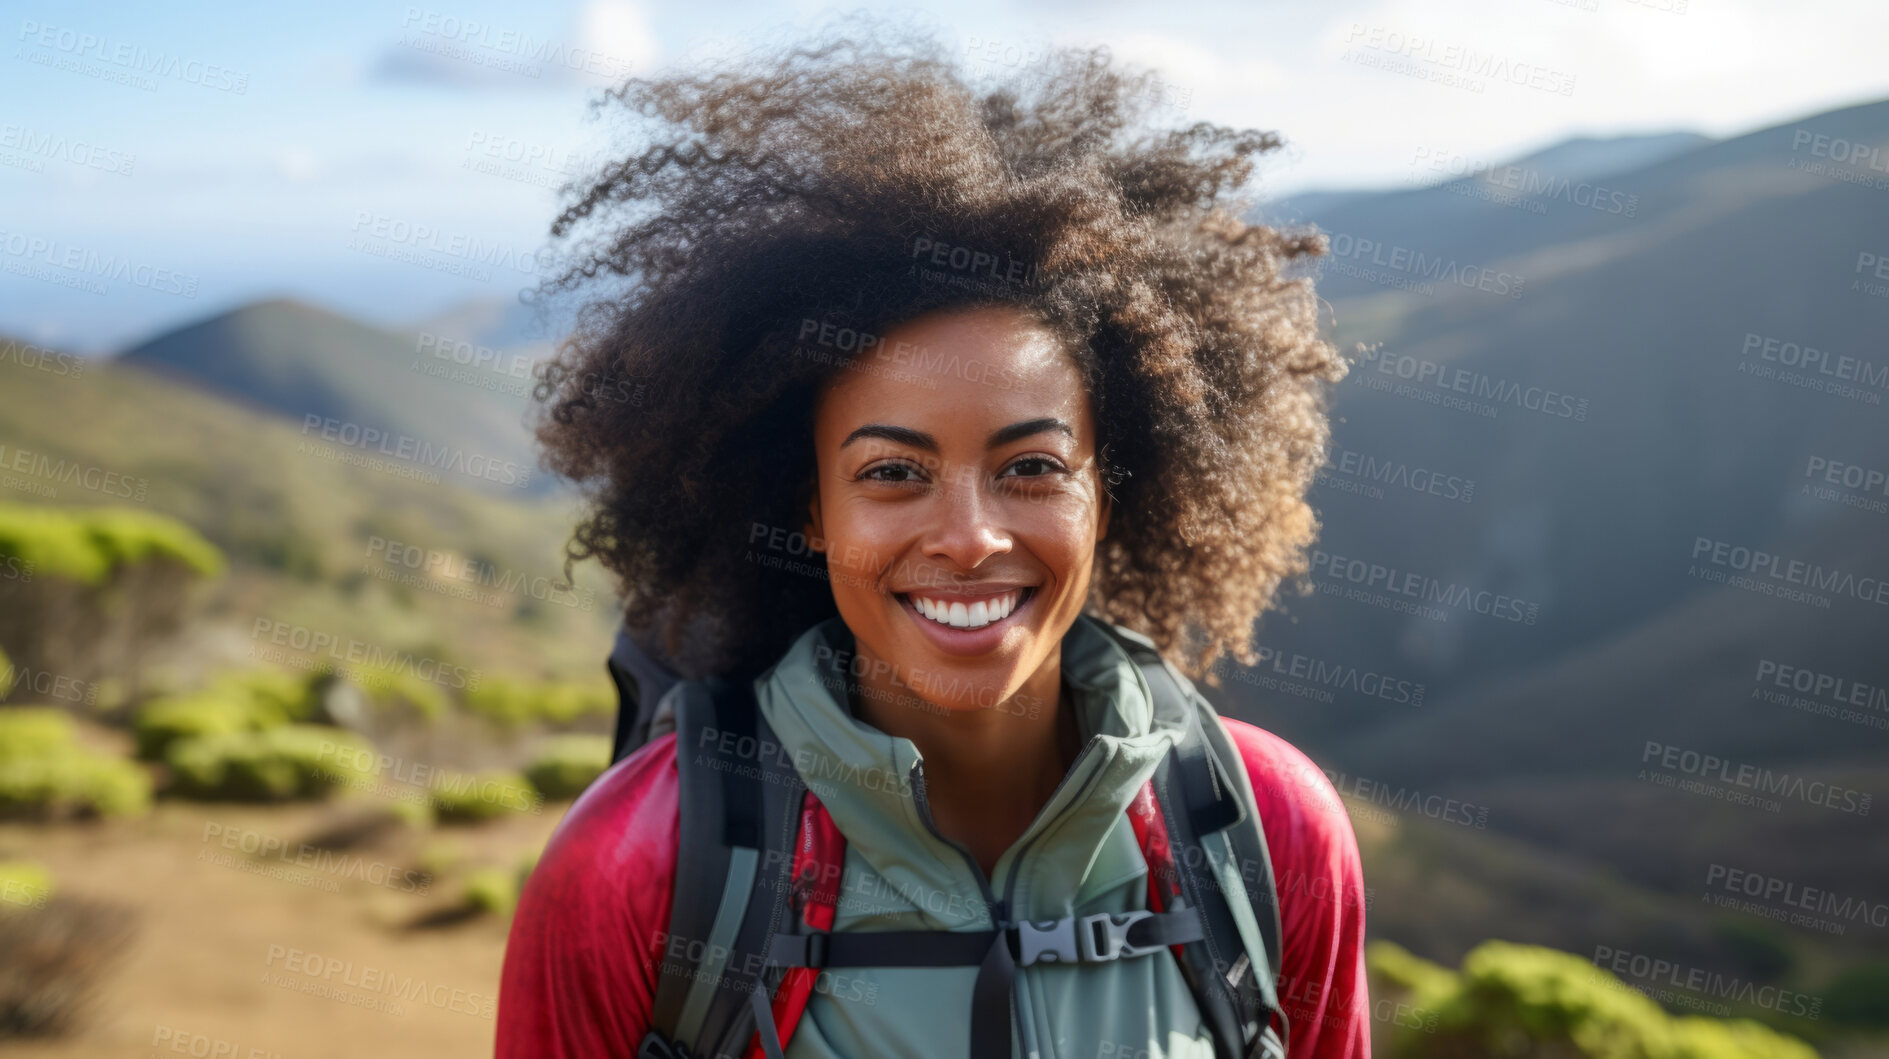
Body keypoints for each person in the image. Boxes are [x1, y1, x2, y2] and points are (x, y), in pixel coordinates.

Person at [500, 23, 1367, 1059]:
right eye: (892, 474)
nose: (967, 537)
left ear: (1110, 491)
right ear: (808, 506)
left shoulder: (1265, 837)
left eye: (1031, 468)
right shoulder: (632, 870)